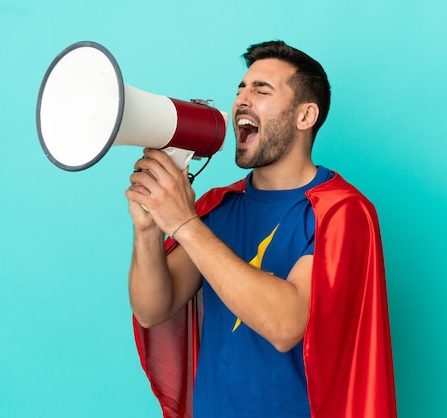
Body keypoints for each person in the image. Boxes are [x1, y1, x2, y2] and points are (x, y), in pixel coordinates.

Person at [125, 40, 396, 418]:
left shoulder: (342, 211)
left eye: (261, 90)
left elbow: (285, 325)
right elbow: (153, 309)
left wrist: (184, 223)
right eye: (240, 89)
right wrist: (149, 230)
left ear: (305, 117)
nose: (241, 100)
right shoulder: (217, 208)